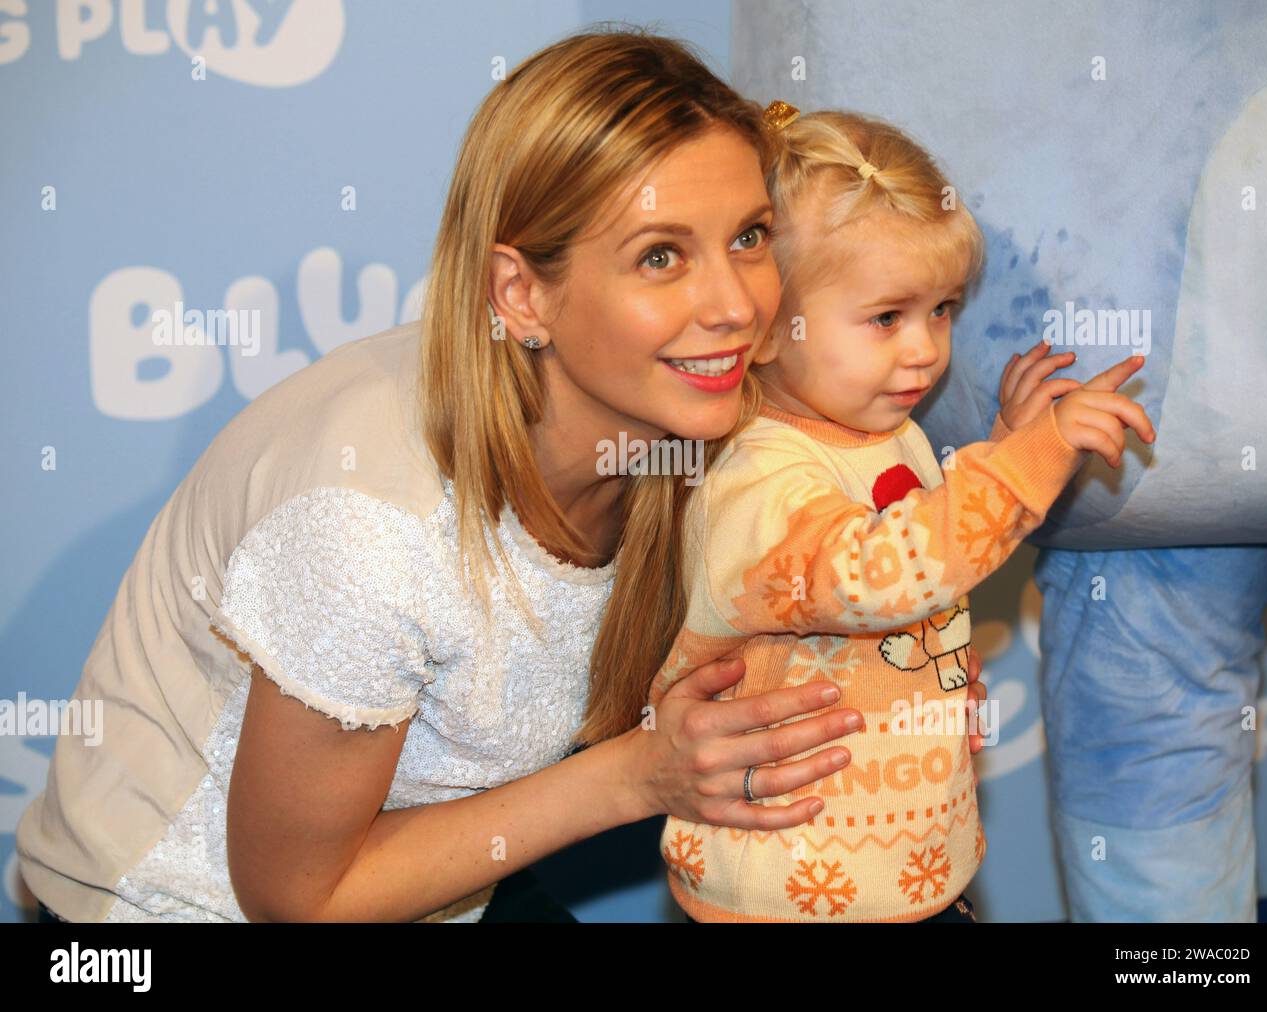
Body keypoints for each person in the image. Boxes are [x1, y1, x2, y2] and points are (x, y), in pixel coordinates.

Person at [15, 28, 871, 923]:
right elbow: (300, 900)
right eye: (660, 256)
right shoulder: (372, 528)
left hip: (438, 880)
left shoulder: (696, 423)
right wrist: (636, 778)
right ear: (521, 295)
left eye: (749, 236)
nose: (737, 304)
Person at [648, 105, 1156, 922]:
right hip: (788, 887)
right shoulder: (755, 478)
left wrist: (1002, 441)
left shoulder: (891, 436)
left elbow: (926, 550)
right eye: (887, 317)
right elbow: (878, 575)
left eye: (942, 310)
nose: (924, 348)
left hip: (902, 874)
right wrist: (1029, 459)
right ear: (770, 329)